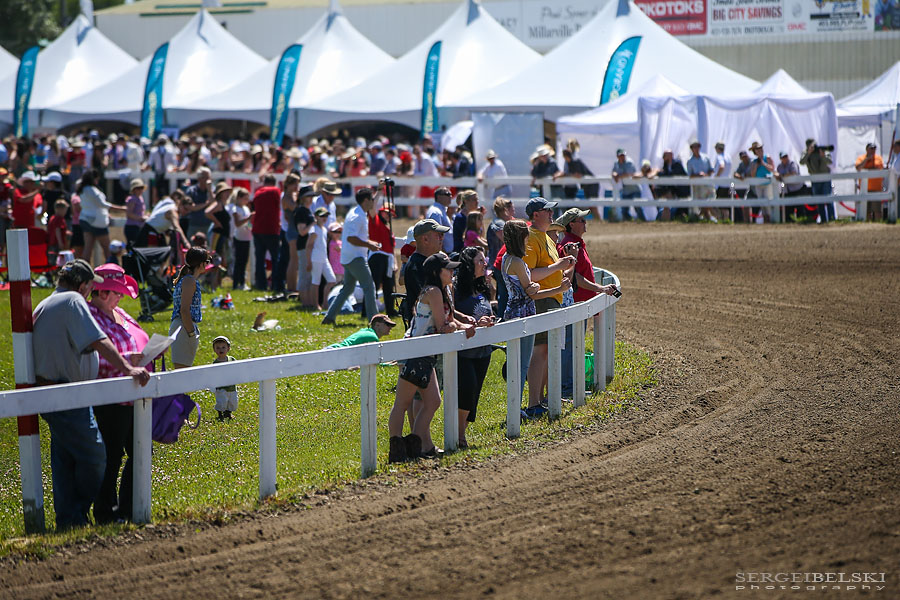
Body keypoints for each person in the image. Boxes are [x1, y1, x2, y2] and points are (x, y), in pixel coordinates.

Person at [33, 259, 150, 530]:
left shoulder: (48, 302)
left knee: (65, 462)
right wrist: (128, 367)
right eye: (90, 287)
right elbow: (97, 340)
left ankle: (70, 520)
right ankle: (80, 511)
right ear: (84, 285)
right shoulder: (74, 301)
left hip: (55, 390)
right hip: (69, 392)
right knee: (95, 457)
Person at [387, 253, 475, 463]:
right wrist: (456, 326)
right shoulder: (434, 292)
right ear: (437, 272)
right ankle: (398, 449)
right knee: (403, 402)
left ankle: (414, 446)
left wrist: (467, 326)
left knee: (433, 401)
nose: (453, 272)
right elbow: (443, 326)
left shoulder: (441, 291)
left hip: (424, 353)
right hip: (415, 353)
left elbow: (450, 321)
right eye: (449, 269)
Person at [87, 263, 151, 523]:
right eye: (117, 292)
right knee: (111, 456)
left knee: (141, 451)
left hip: (134, 394)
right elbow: (93, 359)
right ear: (102, 292)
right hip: (109, 397)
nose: (121, 296)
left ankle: (129, 507)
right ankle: (105, 511)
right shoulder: (90, 317)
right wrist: (130, 359)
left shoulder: (120, 313)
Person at [500, 220, 568, 414]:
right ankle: (517, 409)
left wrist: (532, 286)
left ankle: (516, 406)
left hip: (513, 310)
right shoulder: (518, 263)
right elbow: (532, 293)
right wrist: (558, 289)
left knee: (520, 361)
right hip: (524, 313)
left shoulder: (507, 259)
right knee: (523, 363)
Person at [523, 198, 575, 418]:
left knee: (547, 350)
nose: (552, 213)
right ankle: (534, 401)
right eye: (548, 210)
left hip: (552, 298)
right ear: (536, 214)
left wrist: (565, 269)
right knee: (541, 350)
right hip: (542, 300)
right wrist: (559, 266)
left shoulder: (545, 238)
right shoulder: (532, 239)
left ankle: (541, 399)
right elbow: (529, 274)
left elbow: (552, 271)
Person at [453, 247, 496, 448]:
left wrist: (488, 319)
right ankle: (459, 436)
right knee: (467, 389)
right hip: (464, 350)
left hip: (483, 350)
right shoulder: (456, 289)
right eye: (480, 260)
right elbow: (450, 313)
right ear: (469, 264)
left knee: (475, 393)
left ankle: (461, 433)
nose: (484, 263)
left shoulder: (483, 287)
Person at [321, 187, 380, 325]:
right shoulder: (357, 216)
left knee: (347, 288)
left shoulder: (356, 212)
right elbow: (351, 238)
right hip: (356, 258)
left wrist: (368, 242)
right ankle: (375, 320)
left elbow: (352, 237)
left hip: (349, 257)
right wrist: (369, 245)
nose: (373, 201)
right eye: (371, 199)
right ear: (366, 201)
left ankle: (329, 317)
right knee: (369, 287)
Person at [401, 219, 450, 325]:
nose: (442, 238)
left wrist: (463, 318)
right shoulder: (416, 266)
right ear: (425, 239)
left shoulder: (428, 262)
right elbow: (431, 304)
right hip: (425, 330)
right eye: (438, 235)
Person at [169, 247, 210, 368]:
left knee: (184, 372)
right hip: (184, 327)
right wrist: (191, 333)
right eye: (207, 262)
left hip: (184, 326)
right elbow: (184, 310)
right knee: (182, 374)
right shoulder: (189, 281)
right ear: (202, 264)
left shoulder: (188, 280)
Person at [77, 169, 128, 265]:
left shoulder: (83, 189)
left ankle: (83, 273)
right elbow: (102, 204)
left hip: (85, 219)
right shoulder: (92, 190)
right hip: (97, 222)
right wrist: (122, 208)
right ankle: (110, 270)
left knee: (87, 250)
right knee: (107, 249)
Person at [251, 174, 283, 292]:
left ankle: (261, 284)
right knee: (276, 259)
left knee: (260, 259)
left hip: (258, 229)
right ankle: (275, 284)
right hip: (271, 229)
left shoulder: (258, 192)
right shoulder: (275, 191)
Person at [368, 204, 398, 318]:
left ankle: (390, 310)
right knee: (374, 285)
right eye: (387, 213)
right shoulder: (375, 222)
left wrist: (394, 262)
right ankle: (368, 310)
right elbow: (371, 209)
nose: (388, 216)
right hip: (377, 256)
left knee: (389, 286)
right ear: (381, 212)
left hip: (388, 259)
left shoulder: (388, 230)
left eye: (390, 215)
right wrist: (379, 191)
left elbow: (392, 248)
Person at [307, 207, 337, 310]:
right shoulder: (314, 230)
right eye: (322, 216)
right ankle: (315, 304)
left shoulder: (324, 229)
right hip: (315, 258)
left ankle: (325, 303)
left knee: (331, 280)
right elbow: (309, 246)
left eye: (326, 216)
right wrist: (309, 261)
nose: (324, 218)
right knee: (315, 282)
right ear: (316, 217)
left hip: (324, 258)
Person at [800, 138, 834, 223]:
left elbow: (830, 161)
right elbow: (802, 162)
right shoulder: (806, 152)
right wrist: (808, 153)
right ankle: (823, 220)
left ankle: (832, 219)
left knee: (828, 199)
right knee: (819, 201)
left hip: (825, 178)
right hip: (815, 180)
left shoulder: (822, 150)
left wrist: (822, 155)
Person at [293, 182, 317, 305]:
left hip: (308, 246)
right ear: (303, 198)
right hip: (303, 245)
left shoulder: (307, 210)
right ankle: (304, 302)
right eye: (309, 197)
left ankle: (307, 301)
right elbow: (302, 232)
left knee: (308, 274)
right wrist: (313, 223)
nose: (311, 199)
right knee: (304, 273)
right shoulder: (301, 211)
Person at [228, 187, 253, 290]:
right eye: (245, 198)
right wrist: (248, 218)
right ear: (238, 198)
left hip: (246, 237)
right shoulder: (235, 209)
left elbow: (247, 223)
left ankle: (242, 283)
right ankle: (236, 283)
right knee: (238, 262)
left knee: (244, 262)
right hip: (238, 238)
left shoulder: (246, 208)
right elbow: (237, 224)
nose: (247, 201)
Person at [686, 140, 716, 222]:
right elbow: (690, 175)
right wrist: (698, 175)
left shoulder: (706, 158)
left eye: (698, 146)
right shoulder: (690, 161)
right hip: (698, 185)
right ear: (692, 149)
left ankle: (700, 216)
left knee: (710, 200)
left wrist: (705, 174)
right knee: (702, 202)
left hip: (708, 183)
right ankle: (707, 217)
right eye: (694, 147)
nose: (696, 148)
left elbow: (712, 170)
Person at [326, 313, 397, 348]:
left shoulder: (367, 331)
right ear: (377, 325)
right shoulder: (372, 337)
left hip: (333, 350)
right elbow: (372, 361)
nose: (390, 327)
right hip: (335, 353)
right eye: (387, 324)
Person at [855, 142, 885, 222]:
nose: (873, 150)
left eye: (874, 149)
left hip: (877, 189)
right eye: (871, 148)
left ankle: (878, 226)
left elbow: (881, 170)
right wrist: (867, 160)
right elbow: (858, 168)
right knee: (866, 211)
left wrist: (869, 169)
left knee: (877, 211)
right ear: (867, 149)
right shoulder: (861, 158)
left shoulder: (879, 158)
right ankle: (867, 226)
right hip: (865, 189)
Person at [211, 336, 238, 421]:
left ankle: (228, 413)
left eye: (223, 347)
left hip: (231, 385)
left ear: (228, 348)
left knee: (232, 401)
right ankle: (220, 414)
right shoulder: (216, 363)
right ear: (214, 350)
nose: (221, 349)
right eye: (218, 348)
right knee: (222, 401)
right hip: (221, 386)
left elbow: (238, 368)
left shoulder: (231, 359)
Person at [184, 167, 213, 239]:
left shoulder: (212, 190)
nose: (207, 180)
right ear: (199, 178)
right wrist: (206, 204)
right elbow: (191, 207)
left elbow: (214, 204)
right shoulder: (191, 191)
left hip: (208, 226)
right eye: (204, 177)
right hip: (194, 226)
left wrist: (209, 190)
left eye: (208, 177)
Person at [425, 186, 455, 254]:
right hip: (444, 253)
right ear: (438, 196)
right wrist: (442, 252)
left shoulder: (440, 210)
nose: (450, 196)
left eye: (451, 194)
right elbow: (436, 234)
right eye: (447, 194)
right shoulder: (436, 212)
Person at [611, 149, 639, 221]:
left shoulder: (629, 162)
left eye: (623, 155)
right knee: (624, 210)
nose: (623, 157)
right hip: (625, 190)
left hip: (634, 189)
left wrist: (618, 176)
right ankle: (629, 223)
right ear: (617, 156)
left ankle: (643, 222)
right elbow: (614, 171)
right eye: (621, 155)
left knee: (638, 207)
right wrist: (615, 175)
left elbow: (629, 174)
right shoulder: (616, 163)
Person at [124, 179, 147, 245]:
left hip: (138, 227)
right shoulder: (132, 199)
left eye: (141, 188)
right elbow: (129, 214)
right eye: (138, 188)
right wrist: (141, 218)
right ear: (134, 189)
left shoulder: (140, 198)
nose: (140, 190)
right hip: (132, 227)